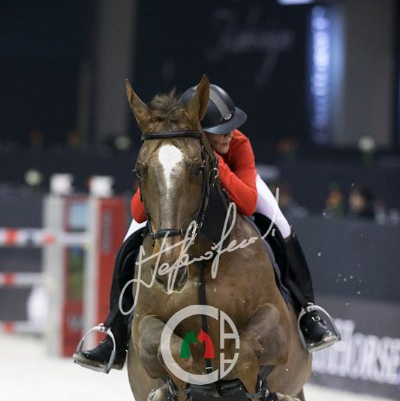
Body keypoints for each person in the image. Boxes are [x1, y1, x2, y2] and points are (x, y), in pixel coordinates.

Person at [74, 84, 339, 373]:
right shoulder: (173, 148)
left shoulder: (238, 144)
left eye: (230, 127)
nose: (228, 134)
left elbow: (248, 202)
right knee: (129, 241)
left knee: (280, 224)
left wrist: (216, 164)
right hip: (184, 187)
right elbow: (139, 211)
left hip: (235, 183)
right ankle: (114, 332)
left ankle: (308, 313)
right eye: (219, 130)